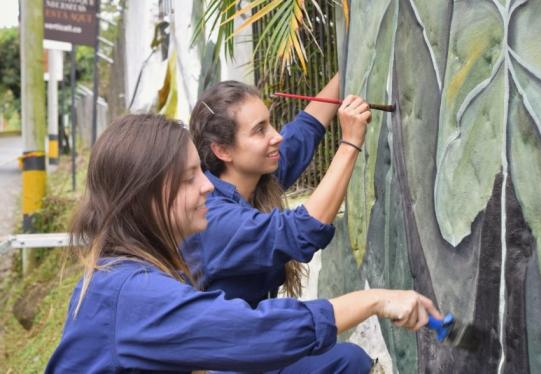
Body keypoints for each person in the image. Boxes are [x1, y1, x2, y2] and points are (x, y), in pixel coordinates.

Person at [46, 114, 442, 373]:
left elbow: (300, 137)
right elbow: (256, 333)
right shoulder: (132, 293)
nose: (206, 186)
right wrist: (373, 300)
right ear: (145, 197)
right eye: (188, 179)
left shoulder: (122, 273)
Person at [182, 75, 369, 305]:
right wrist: (350, 143)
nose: (277, 136)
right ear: (223, 151)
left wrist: (350, 56)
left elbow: (305, 130)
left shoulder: (256, 176)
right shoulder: (212, 218)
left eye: (270, 123)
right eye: (260, 130)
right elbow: (304, 231)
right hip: (225, 339)